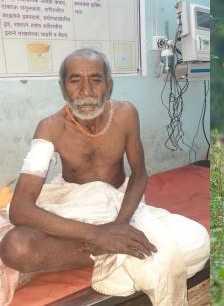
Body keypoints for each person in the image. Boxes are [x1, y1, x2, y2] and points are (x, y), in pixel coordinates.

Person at [0, 48, 209, 305]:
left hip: (118, 205)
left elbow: (139, 174)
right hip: (74, 202)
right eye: (75, 80)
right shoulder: (50, 127)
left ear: (108, 85)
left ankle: (101, 249)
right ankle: (110, 248)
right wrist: (97, 235)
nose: (86, 91)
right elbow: (20, 209)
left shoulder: (126, 115)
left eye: (96, 80)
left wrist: (119, 225)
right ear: (63, 88)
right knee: (15, 247)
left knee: (199, 240)